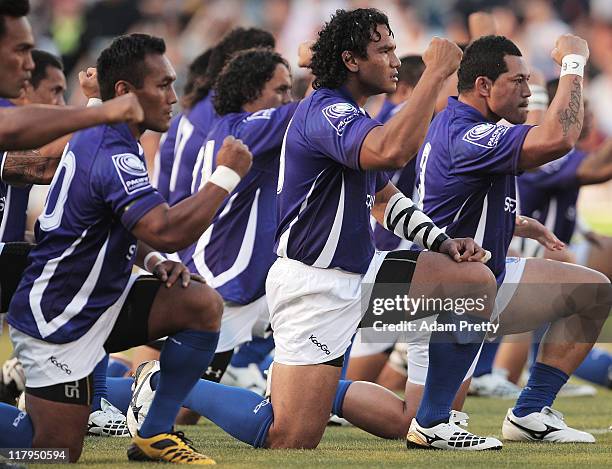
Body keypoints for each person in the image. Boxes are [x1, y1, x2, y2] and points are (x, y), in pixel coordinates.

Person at [130, 8, 505, 452]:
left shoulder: (351, 113)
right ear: (351, 60)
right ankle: (163, 381)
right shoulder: (326, 110)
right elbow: (391, 151)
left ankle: (434, 423)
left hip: (359, 271)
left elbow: (383, 199)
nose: (395, 60)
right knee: (289, 437)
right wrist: (437, 72)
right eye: (384, 50)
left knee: (472, 280)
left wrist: (442, 241)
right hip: (316, 284)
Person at [0, 33, 252, 464]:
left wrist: (153, 260)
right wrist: (226, 176)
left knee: (200, 305)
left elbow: (134, 229)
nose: (172, 96)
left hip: (98, 302)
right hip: (59, 316)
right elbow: (168, 230)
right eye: (162, 85)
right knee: (54, 453)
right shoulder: (111, 150)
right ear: (125, 92)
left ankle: (154, 431)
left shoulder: (110, 135)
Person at [412, 33, 610, 445]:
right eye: (518, 82)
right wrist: (573, 62)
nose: (527, 92)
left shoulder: (464, 124)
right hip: (449, 290)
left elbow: (449, 200)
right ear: (483, 86)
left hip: (476, 276)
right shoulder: (469, 133)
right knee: (396, 413)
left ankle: (531, 412)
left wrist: (514, 222)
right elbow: (559, 137)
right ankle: (421, 421)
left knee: (592, 291)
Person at [0, 50, 67, 243]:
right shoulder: (5, 121)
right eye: (55, 91)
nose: (61, 105)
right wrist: (98, 110)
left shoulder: (29, 132)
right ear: (26, 87)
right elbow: (41, 167)